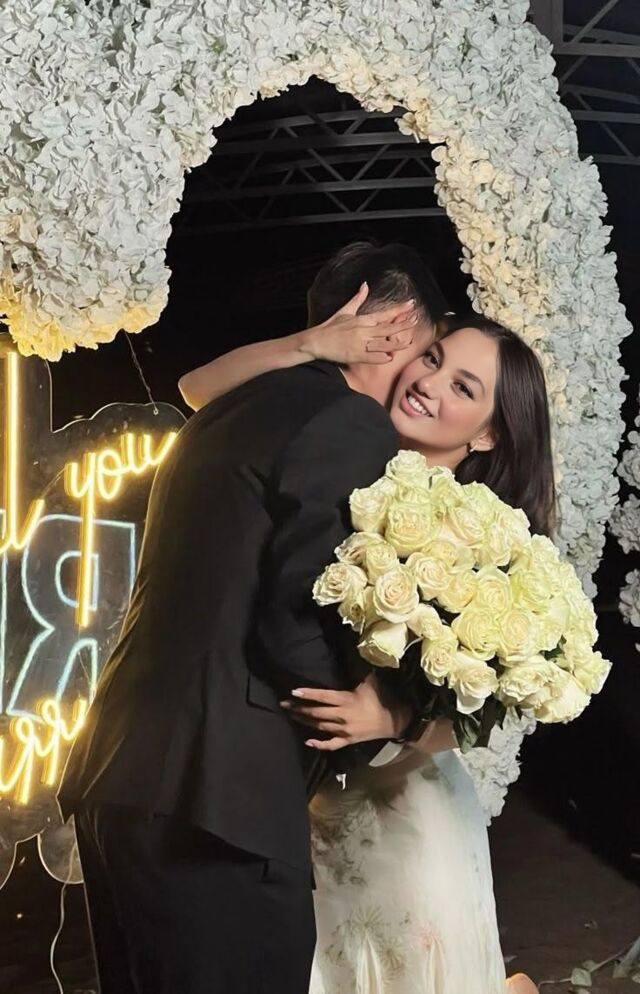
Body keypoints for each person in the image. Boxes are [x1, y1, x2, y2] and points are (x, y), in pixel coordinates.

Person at [57, 242, 445, 994]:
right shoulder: (349, 422)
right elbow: (295, 619)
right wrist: (373, 715)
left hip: (121, 772)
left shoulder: (227, 410)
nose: (422, 376)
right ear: (397, 326)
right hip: (218, 798)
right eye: (427, 351)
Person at [178, 245, 554, 994]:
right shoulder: (343, 448)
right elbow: (196, 391)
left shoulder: (486, 538)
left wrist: (393, 717)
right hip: (297, 803)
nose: (429, 383)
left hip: (402, 819)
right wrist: (309, 345)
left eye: (463, 386)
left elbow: (485, 704)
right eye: (434, 359)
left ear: (487, 434)